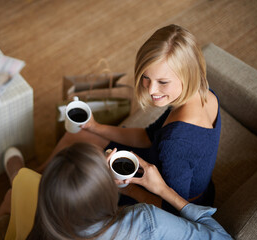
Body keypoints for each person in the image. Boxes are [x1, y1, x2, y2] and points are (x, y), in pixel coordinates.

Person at [36, 24, 221, 213]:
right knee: (78, 136)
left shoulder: (177, 141)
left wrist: (128, 188)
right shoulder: (204, 93)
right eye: (146, 77)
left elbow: (174, 212)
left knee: (78, 179)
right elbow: (148, 136)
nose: (151, 90)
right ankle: (38, 175)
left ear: (188, 75)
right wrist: (95, 126)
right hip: (162, 165)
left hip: (163, 201)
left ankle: (35, 187)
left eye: (163, 82)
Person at [0, 143, 231, 239]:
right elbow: (222, 238)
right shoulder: (146, 220)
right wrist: (164, 191)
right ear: (107, 193)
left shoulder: (51, 215)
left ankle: (13, 181)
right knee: (24, 185)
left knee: (24, 184)